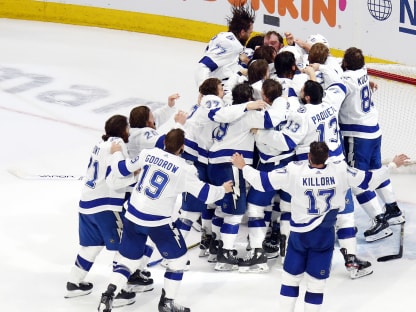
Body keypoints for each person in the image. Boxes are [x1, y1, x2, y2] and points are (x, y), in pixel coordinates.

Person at [231, 141, 408, 312]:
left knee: (289, 281)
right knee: (316, 286)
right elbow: (370, 180)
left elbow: (261, 181)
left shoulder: (294, 170)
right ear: (327, 157)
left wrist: (243, 166)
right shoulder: (340, 170)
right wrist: (392, 164)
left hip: (299, 237)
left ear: (308, 156)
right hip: (324, 238)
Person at [97, 128, 233, 312]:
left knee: (128, 261)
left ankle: (108, 294)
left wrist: (116, 154)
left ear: (164, 142)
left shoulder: (148, 153)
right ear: (182, 148)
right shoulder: (185, 169)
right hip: (157, 222)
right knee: (179, 261)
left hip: (133, 215)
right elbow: (206, 195)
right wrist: (223, 189)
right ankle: (167, 303)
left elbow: (120, 169)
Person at [64, 115, 136, 307]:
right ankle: (119, 291)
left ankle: (74, 282)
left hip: (86, 203)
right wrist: (135, 176)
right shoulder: (118, 144)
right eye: (127, 127)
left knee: (91, 246)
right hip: (105, 206)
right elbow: (118, 176)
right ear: (122, 130)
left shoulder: (100, 143)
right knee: (124, 246)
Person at [339, 47, 405, 242]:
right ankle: (393, 210)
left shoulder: (345, 79)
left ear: (346, 63)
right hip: (374, 130)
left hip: (357, 135)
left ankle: (379, 220)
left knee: (357, 180)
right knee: (375, 169)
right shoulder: (363, 72)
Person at [194, 4, 255, 88]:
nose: (249, 36)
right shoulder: (231, 45)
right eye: (249, 33)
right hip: (221, 89)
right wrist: (204, 90)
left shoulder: (222, 36)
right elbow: (203, 66)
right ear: (242, 32)